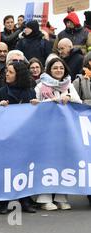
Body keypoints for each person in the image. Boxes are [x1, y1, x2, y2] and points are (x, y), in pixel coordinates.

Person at [32, 57, 82, 210]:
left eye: (61, 68)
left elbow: (79, 103)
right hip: (46, 131)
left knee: (63, 163)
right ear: (49, 70)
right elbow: (36, 105)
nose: (58, 70)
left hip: (65, 131)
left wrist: (69, 97)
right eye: (55, 68)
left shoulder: (69, 85)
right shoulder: (40, 86)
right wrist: (48, 102)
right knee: (46, 163)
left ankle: (61, 197)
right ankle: (44, 198)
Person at [0, 61, 38, 214]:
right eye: (7, 71)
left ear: (19, 75)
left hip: (24, 137)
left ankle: (25, 200)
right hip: (6, 137)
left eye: (11, 72)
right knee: (7, 169)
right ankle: (6, 201)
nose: (7, 74)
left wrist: (36, 106)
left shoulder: (31, 93)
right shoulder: (1, 92)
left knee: (24, 168)